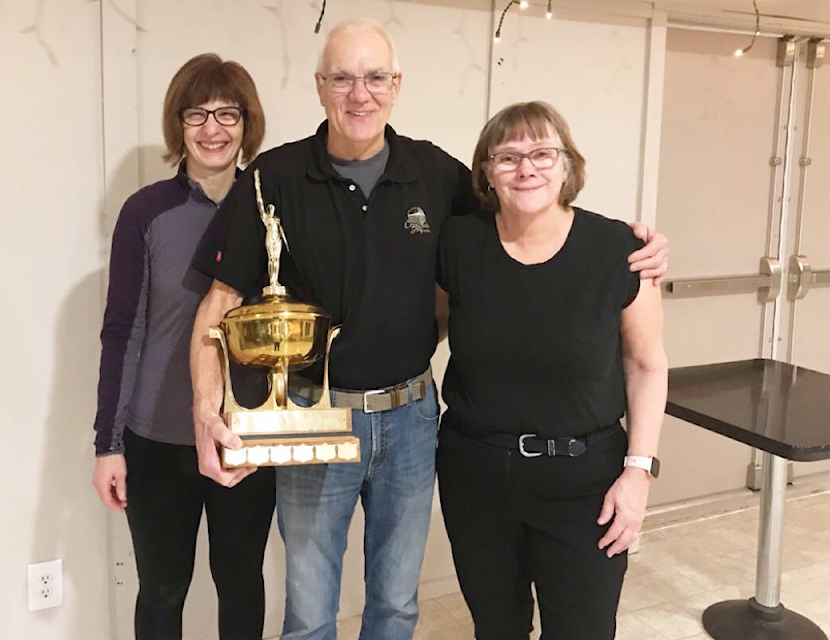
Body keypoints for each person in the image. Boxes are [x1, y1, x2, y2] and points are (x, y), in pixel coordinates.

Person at [189, 19, 668, 640]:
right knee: (309, 612)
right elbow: (218, 305)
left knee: (395, 606)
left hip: (412, 421)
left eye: (375, 77)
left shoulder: (438, 176)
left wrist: (635, 245)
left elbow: (524, 219)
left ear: (396, 85)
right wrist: (207, 411)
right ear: (319, 86)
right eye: (342, 78)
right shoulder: (273, 178)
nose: (359, 94)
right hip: (315, 415)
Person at [435, 101, 668, 640]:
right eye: (509, 156)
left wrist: (639, 471)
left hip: (587, 483)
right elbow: (431, 323)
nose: (527, 168)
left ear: (567, 166)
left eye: (543, 153)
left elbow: (647, 364)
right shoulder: (460, 243)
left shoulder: (620, 250)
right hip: (477, 477)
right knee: (496, 628)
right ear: (487, 173)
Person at [91, 53, 275, 640]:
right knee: (163, 590)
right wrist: (108, 444)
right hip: (158, 437)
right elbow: (123, 330)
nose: (212, 128)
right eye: (196, 114)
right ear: (178, 123)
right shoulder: (147, 212)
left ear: (247, 123)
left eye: (227, 113)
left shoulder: (274, 209)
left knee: (242, 581)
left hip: (247, 433)